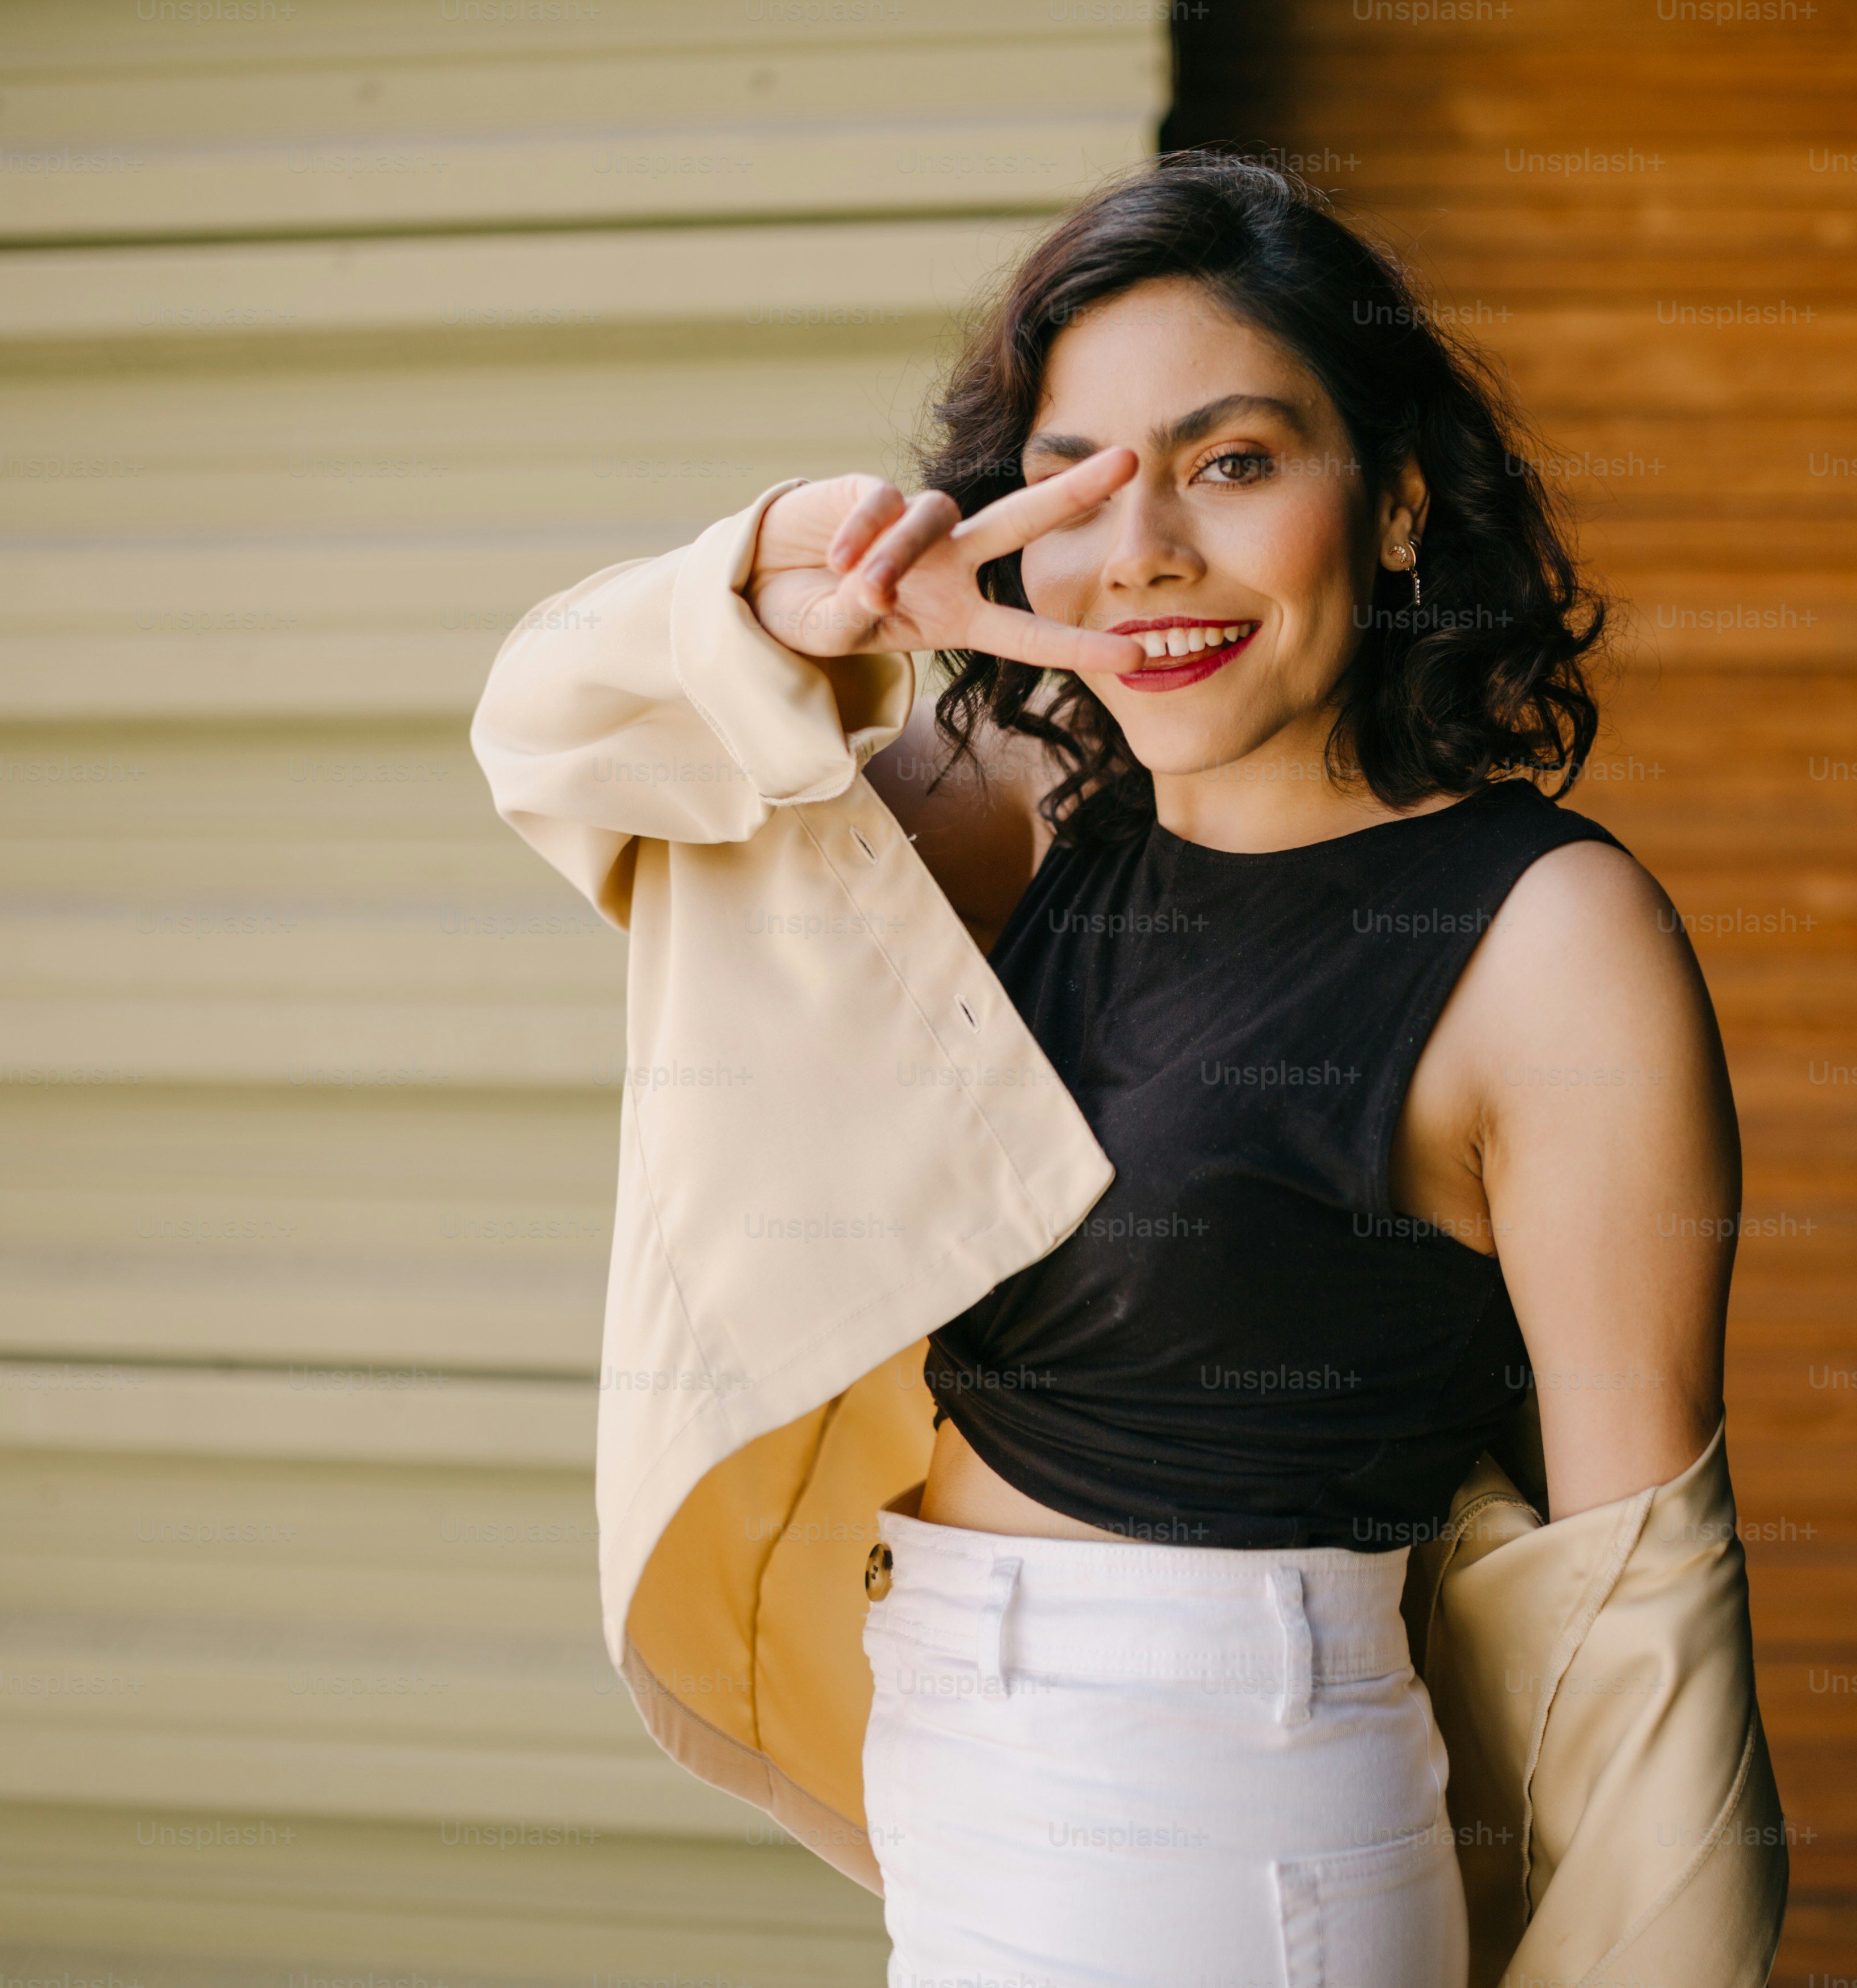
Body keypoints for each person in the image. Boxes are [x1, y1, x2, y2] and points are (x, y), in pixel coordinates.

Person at [475, 155, 1775, 1988]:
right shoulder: (1014, 824)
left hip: (1222, 1824)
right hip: (965, 1771)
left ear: (1395, 508)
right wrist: (783, 590)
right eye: (1077, 478)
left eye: (1232, 463)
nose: (1142, 545)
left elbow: (1642, 1600)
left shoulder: (1546, 938)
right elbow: (551, 740)